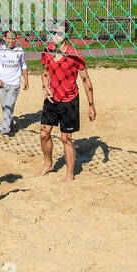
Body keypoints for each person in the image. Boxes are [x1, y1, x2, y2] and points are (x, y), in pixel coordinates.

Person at [40, 27, 96, 180]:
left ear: (66, 36)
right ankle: (48, 164)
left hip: (69, 100)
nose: (54, 36)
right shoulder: (47, 51)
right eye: (52, 32)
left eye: (58, 33)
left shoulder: (75, 54)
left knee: (66, 138)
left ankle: (70, 173)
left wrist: (91, 105)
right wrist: (45, 87)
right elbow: (45, 72)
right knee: (44, 134)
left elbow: (86, 80)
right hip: (51, 99)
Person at [0, 30, 28, 136]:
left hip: (15, 84)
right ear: (5, 38)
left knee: (8, 106)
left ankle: (2, 130)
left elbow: (23, 66)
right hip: (1, 84)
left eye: (13, 38)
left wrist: (26, 79)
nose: (11, 40)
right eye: (9, 38)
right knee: (5, 106)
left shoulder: (19, 51)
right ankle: (10, 124)